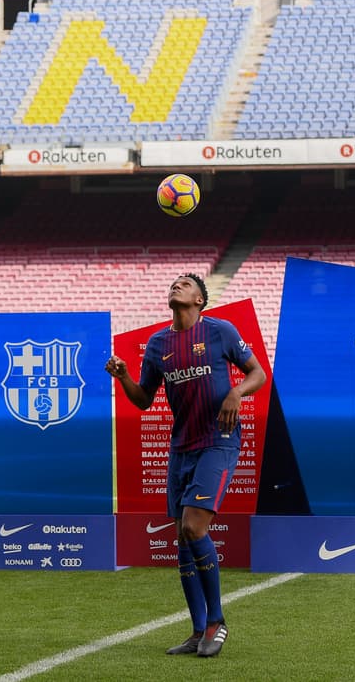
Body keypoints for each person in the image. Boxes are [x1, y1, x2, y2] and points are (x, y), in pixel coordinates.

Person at [105, 272, 266, 658]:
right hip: (181, 449)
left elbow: (258, 373)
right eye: (174, 283)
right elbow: (144, 400)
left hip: (218, 442)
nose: (176, 285)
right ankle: (197, 631)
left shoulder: (220, 331)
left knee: (194, 526)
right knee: (182, 535)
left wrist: (236, 392)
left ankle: (217, 621)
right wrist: (124, 377)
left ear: (199, 300)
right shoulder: (158, 344)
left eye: (186, 284)